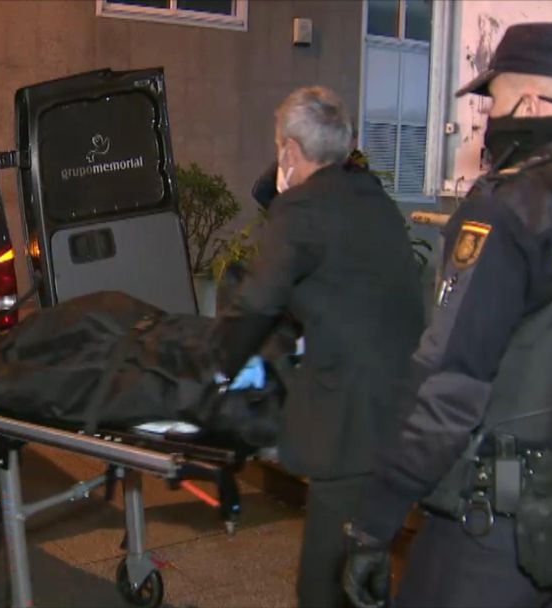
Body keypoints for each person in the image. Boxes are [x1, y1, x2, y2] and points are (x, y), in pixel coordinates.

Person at [343, 22, 552, 608]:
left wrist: (375, 521)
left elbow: (450, 381)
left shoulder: (515, 208)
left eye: (498, 100)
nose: (490, 120)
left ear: (529, 103)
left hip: (494, 538)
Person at [213, 85, 425, 607]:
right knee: (361, 571)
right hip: (399, 403)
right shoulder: (370, 198)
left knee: (324, 585)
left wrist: (218, 368)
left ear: (288, 150)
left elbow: (257, 300)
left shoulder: (304, 208)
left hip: (353, 417)